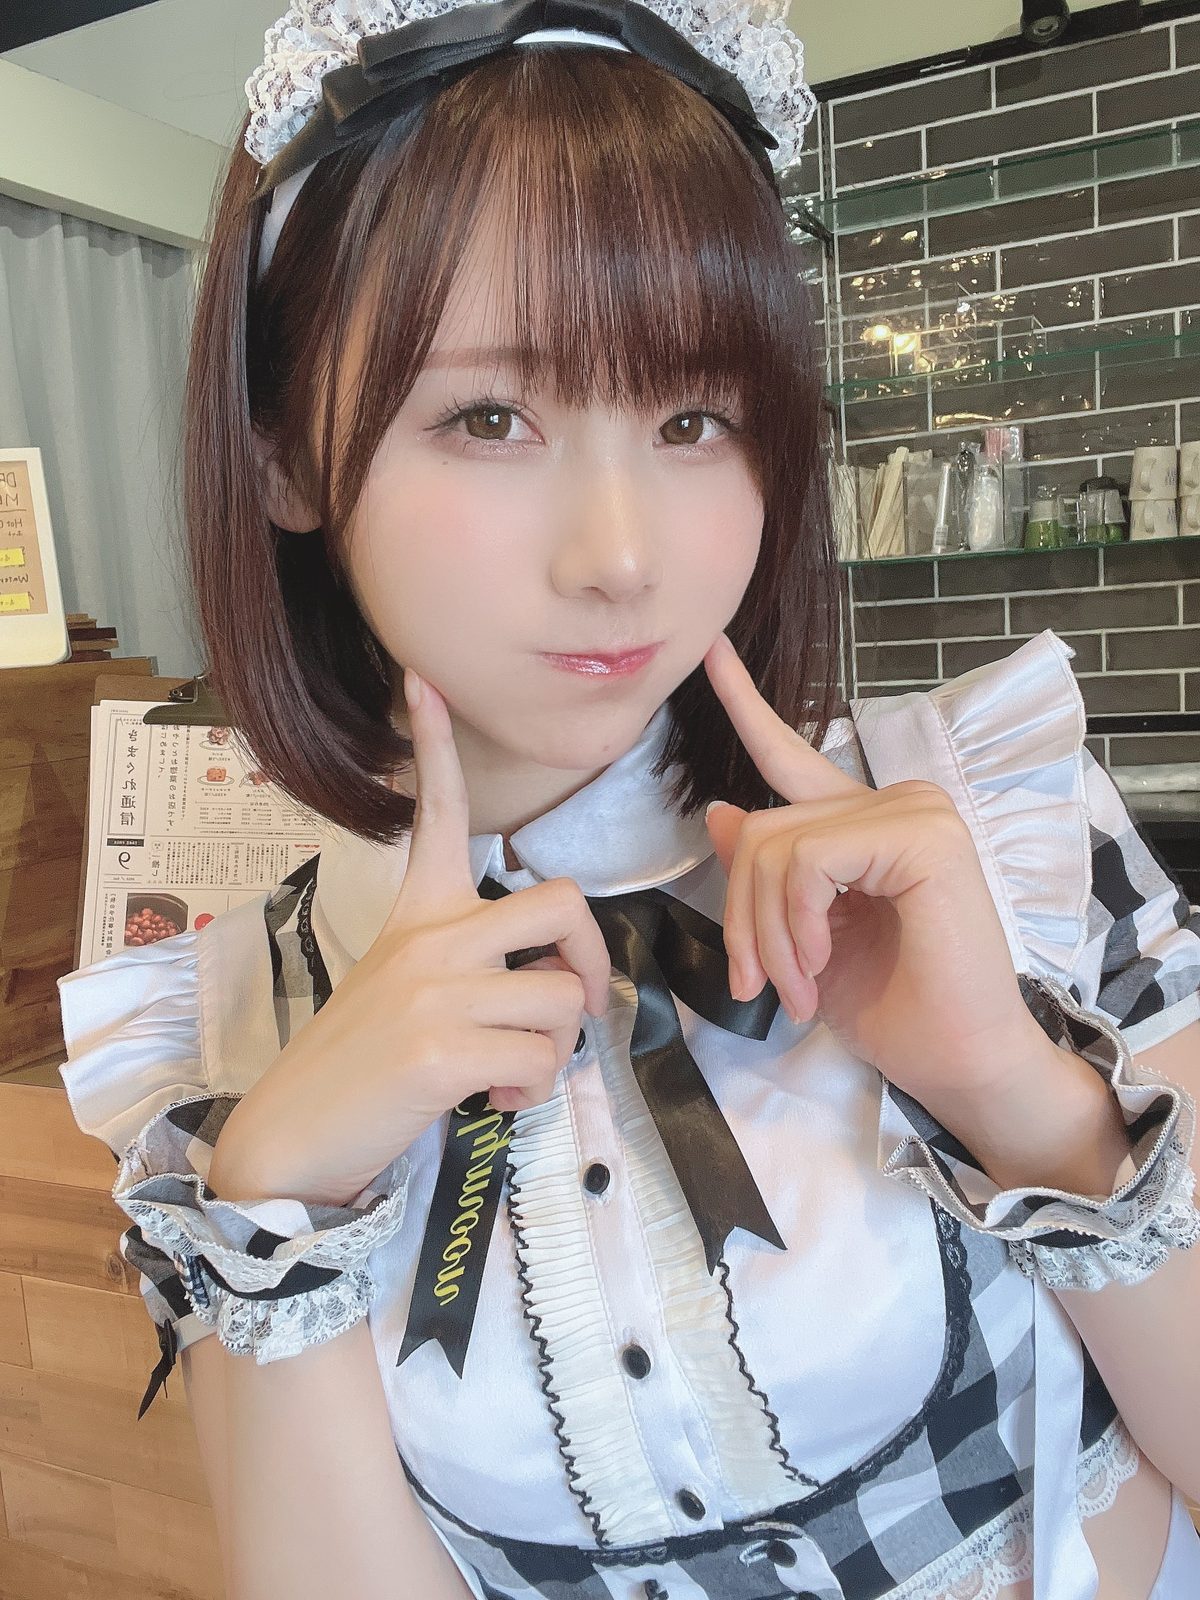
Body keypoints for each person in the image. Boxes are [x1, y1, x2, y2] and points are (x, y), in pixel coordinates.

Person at [55, 3, 1200, 1597]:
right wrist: (276, 1201)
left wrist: (1013, 1089)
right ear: (283, 456)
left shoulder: (991, 828)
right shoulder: (229, 1032)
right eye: (489, 418)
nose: (621, 556)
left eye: (693, 420)